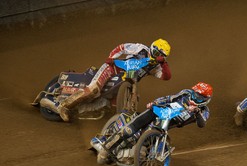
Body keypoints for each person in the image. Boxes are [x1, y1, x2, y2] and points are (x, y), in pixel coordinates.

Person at [41, 39, 172, 122]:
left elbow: (166, 77)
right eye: (159, 54)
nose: (159, 57)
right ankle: (63, 106)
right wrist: (111, 57)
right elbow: (122, 47)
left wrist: (164, 64)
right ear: (154, 49)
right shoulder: (141, 48)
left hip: (129, 81)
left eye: (163, 56)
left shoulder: (156, 67)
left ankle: (78, 111)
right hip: (113, 69)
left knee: (106, 105)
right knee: (93, 90)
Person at [91, 82, 213, 164]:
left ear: (206, 100)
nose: (195, 98)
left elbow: (202, 124)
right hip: (157, 112)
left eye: (200, 97)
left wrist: (196, 112)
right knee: (129, 130)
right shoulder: (186, 94)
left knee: (143, 151)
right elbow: (169, 98)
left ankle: (129, 156)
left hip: (163, 126)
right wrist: (154, 102)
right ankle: (106, 149)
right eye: (195, 94)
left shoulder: (204, 111)